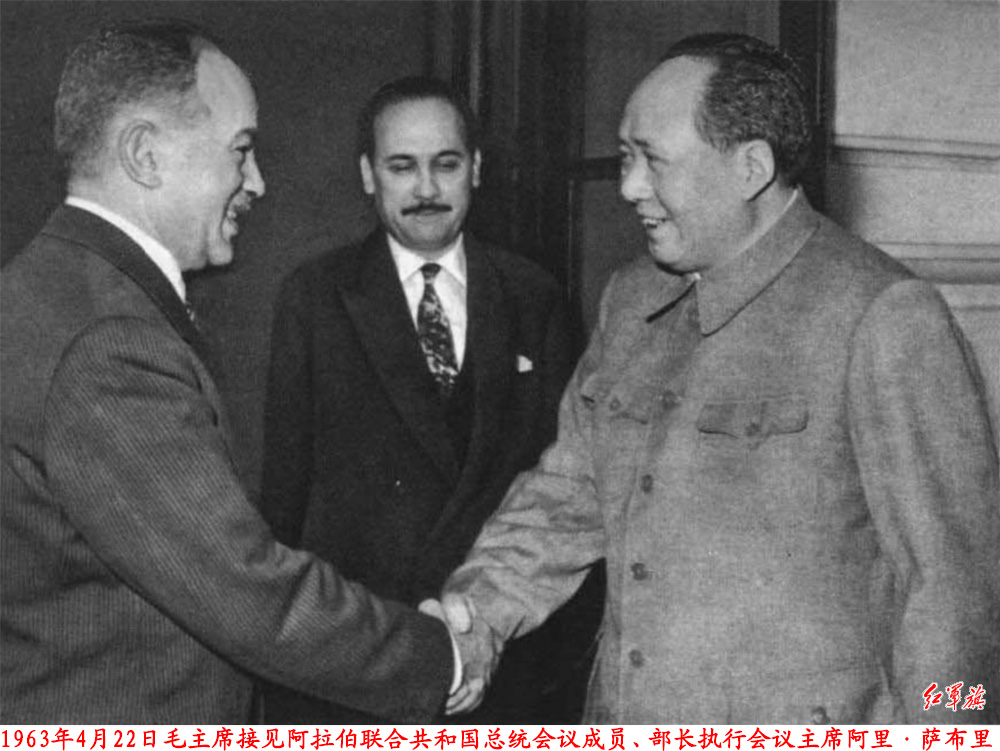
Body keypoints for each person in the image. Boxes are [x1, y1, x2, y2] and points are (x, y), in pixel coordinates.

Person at [437, 33, 1000, 724]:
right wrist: (478, 616)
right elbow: (567, 495)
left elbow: (954, 599)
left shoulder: (882, 315)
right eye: (625, 157)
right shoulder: (631, 298)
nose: (628, 187)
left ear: (751, 167)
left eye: (653, 161)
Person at [0, 21, 457, 724]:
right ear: (144, 154)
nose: (258, 183)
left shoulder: (40, 289)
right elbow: (247, 593)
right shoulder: (108, 341)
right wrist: (442, 657)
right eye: (240, 151)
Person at [258, 76, 599, 724]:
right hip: (362, 666)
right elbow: (285, 503)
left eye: (446, 164)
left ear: (477, 168)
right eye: (402, 167)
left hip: (500, 666)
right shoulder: (315, 297)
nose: (426, 189)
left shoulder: (535, 296)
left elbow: (567, 487)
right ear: (368, 175)